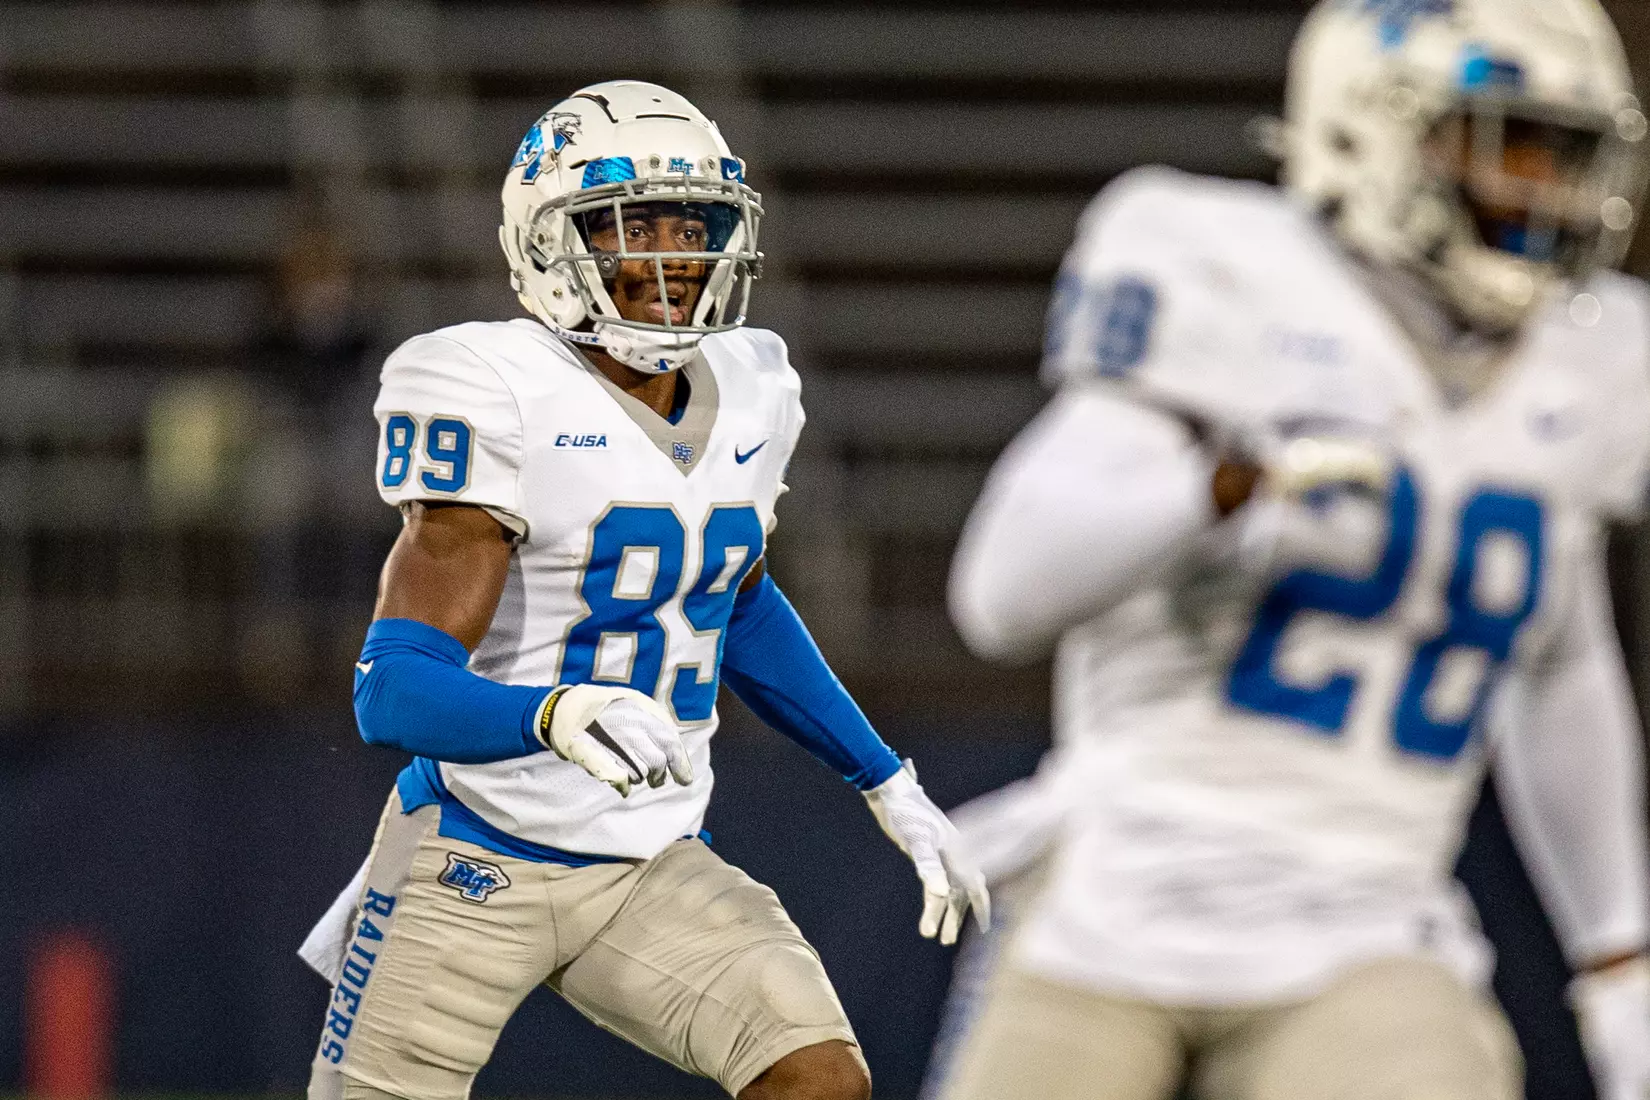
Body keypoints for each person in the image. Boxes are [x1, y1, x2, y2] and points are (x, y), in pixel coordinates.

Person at [936, 1, 1650, 1098]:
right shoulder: (1228, 276)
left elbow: (1560, 655)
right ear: (1373, 131)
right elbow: (1002, 595)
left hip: (1369, 922)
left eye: (1563, 152)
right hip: (1117, 894)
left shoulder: (1592, 357)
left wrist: (1618, 955)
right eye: (1505, 142)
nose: (1539, 188)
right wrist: (1220, 483)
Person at [297, 80, 987, 1100]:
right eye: (631, 229)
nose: (672, 260)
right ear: (548, 243)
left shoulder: (755, 384)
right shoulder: (495, 387)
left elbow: (735, 595)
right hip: (472, 854)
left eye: (693, 227)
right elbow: (390, 684)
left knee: (818, 1076)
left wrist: (884, 776)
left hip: (648, 857)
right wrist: (553, 712)